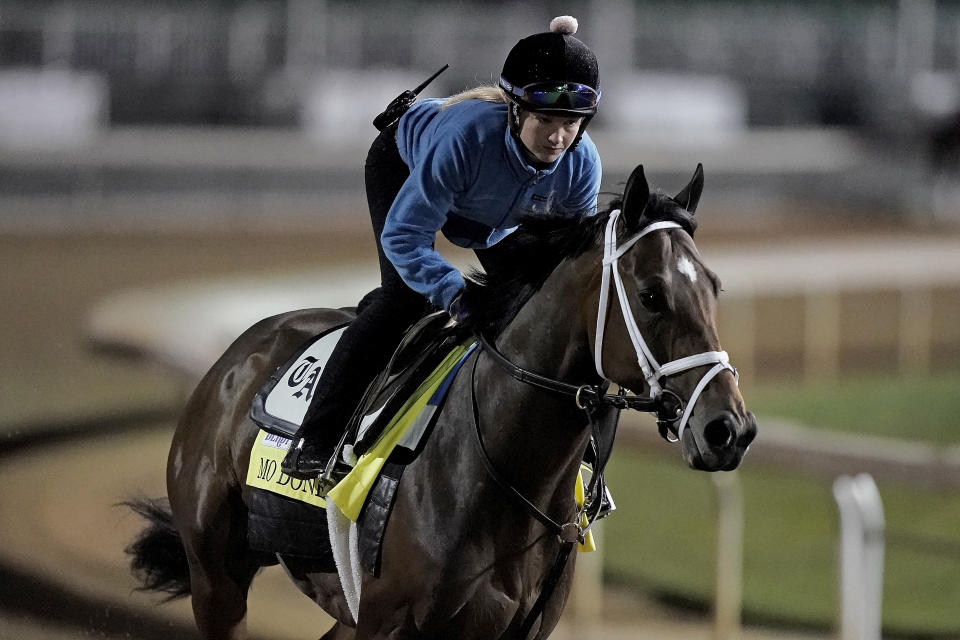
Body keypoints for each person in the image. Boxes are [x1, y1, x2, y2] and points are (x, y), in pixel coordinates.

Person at [281, 15, 603, 481]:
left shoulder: (581, 164)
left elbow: (566, 267)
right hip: (404, 163)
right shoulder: (465, 137)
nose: (558, 137)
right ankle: (315, 437)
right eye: (546, 119)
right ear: (515, 110)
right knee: (404, 299)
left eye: (571, 122)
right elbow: (404, 237)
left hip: (490, 213)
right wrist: (454, 291)